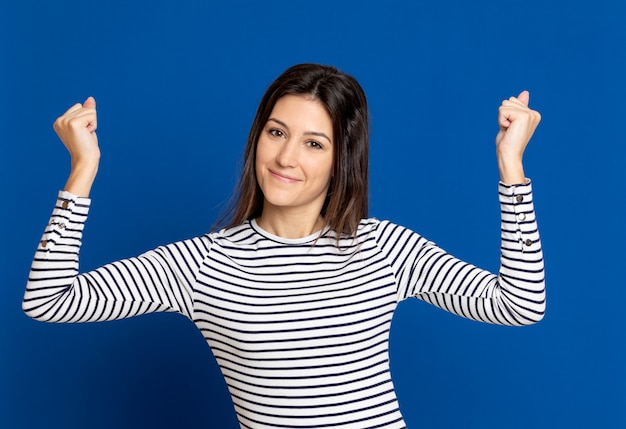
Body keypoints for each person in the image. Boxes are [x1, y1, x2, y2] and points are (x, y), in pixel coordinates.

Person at [23, 63, 545, 429]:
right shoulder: (203, 264)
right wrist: (82, 171)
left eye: (314, 143)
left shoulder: (384, 248)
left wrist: (511, 167)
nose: (286, 156)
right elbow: (49, 301)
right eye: (276, 132)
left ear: (342, 159)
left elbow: (519, 304)